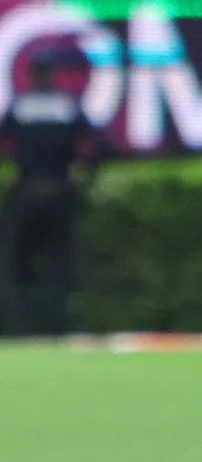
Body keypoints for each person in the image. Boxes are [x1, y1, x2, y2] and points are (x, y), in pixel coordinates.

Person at [0, 55, 108, 336]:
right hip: (60, 190)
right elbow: (101, 145)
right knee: (59, 263)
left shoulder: (21, 106)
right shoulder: (66, 105)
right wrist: (84, 170)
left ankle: (20, 327)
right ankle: (58, 327)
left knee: (18, 261)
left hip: (26, 190)